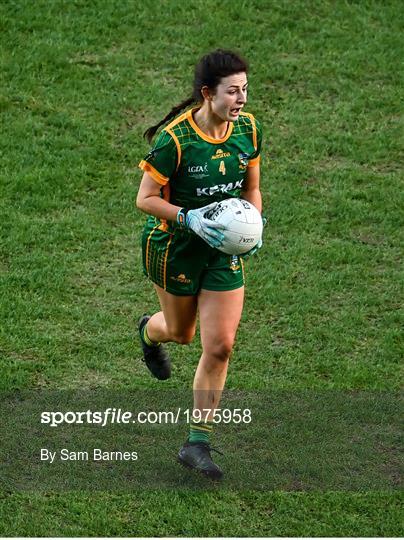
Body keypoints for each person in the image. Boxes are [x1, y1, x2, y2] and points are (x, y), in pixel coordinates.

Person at [136, 49, 264, 480]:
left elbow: (252, 187)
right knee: (181, 333)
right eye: (233, 91)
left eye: (245, 89)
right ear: (208, 94)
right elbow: (145, 199)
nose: (241, 99)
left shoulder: (248, 130)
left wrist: (254, 224)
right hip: (176, 247)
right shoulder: (176, 141)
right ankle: (148, 333)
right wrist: (189, 217)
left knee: (221, 345)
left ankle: (197, 441)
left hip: (221, 252)